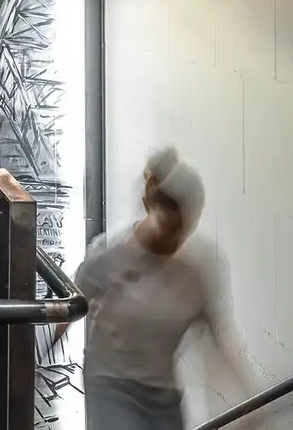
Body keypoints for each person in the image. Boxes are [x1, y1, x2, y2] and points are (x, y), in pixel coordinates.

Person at [66, 148, 254, 430]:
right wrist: (23, 365)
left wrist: (246, 395)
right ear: (148, 208)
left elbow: (217, 337)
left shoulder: (194, 272)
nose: (173, 238)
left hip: (162, 394)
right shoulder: (109, 255)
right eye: (165, 228)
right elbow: (63, 310)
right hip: (110, 383)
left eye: (181, 229)